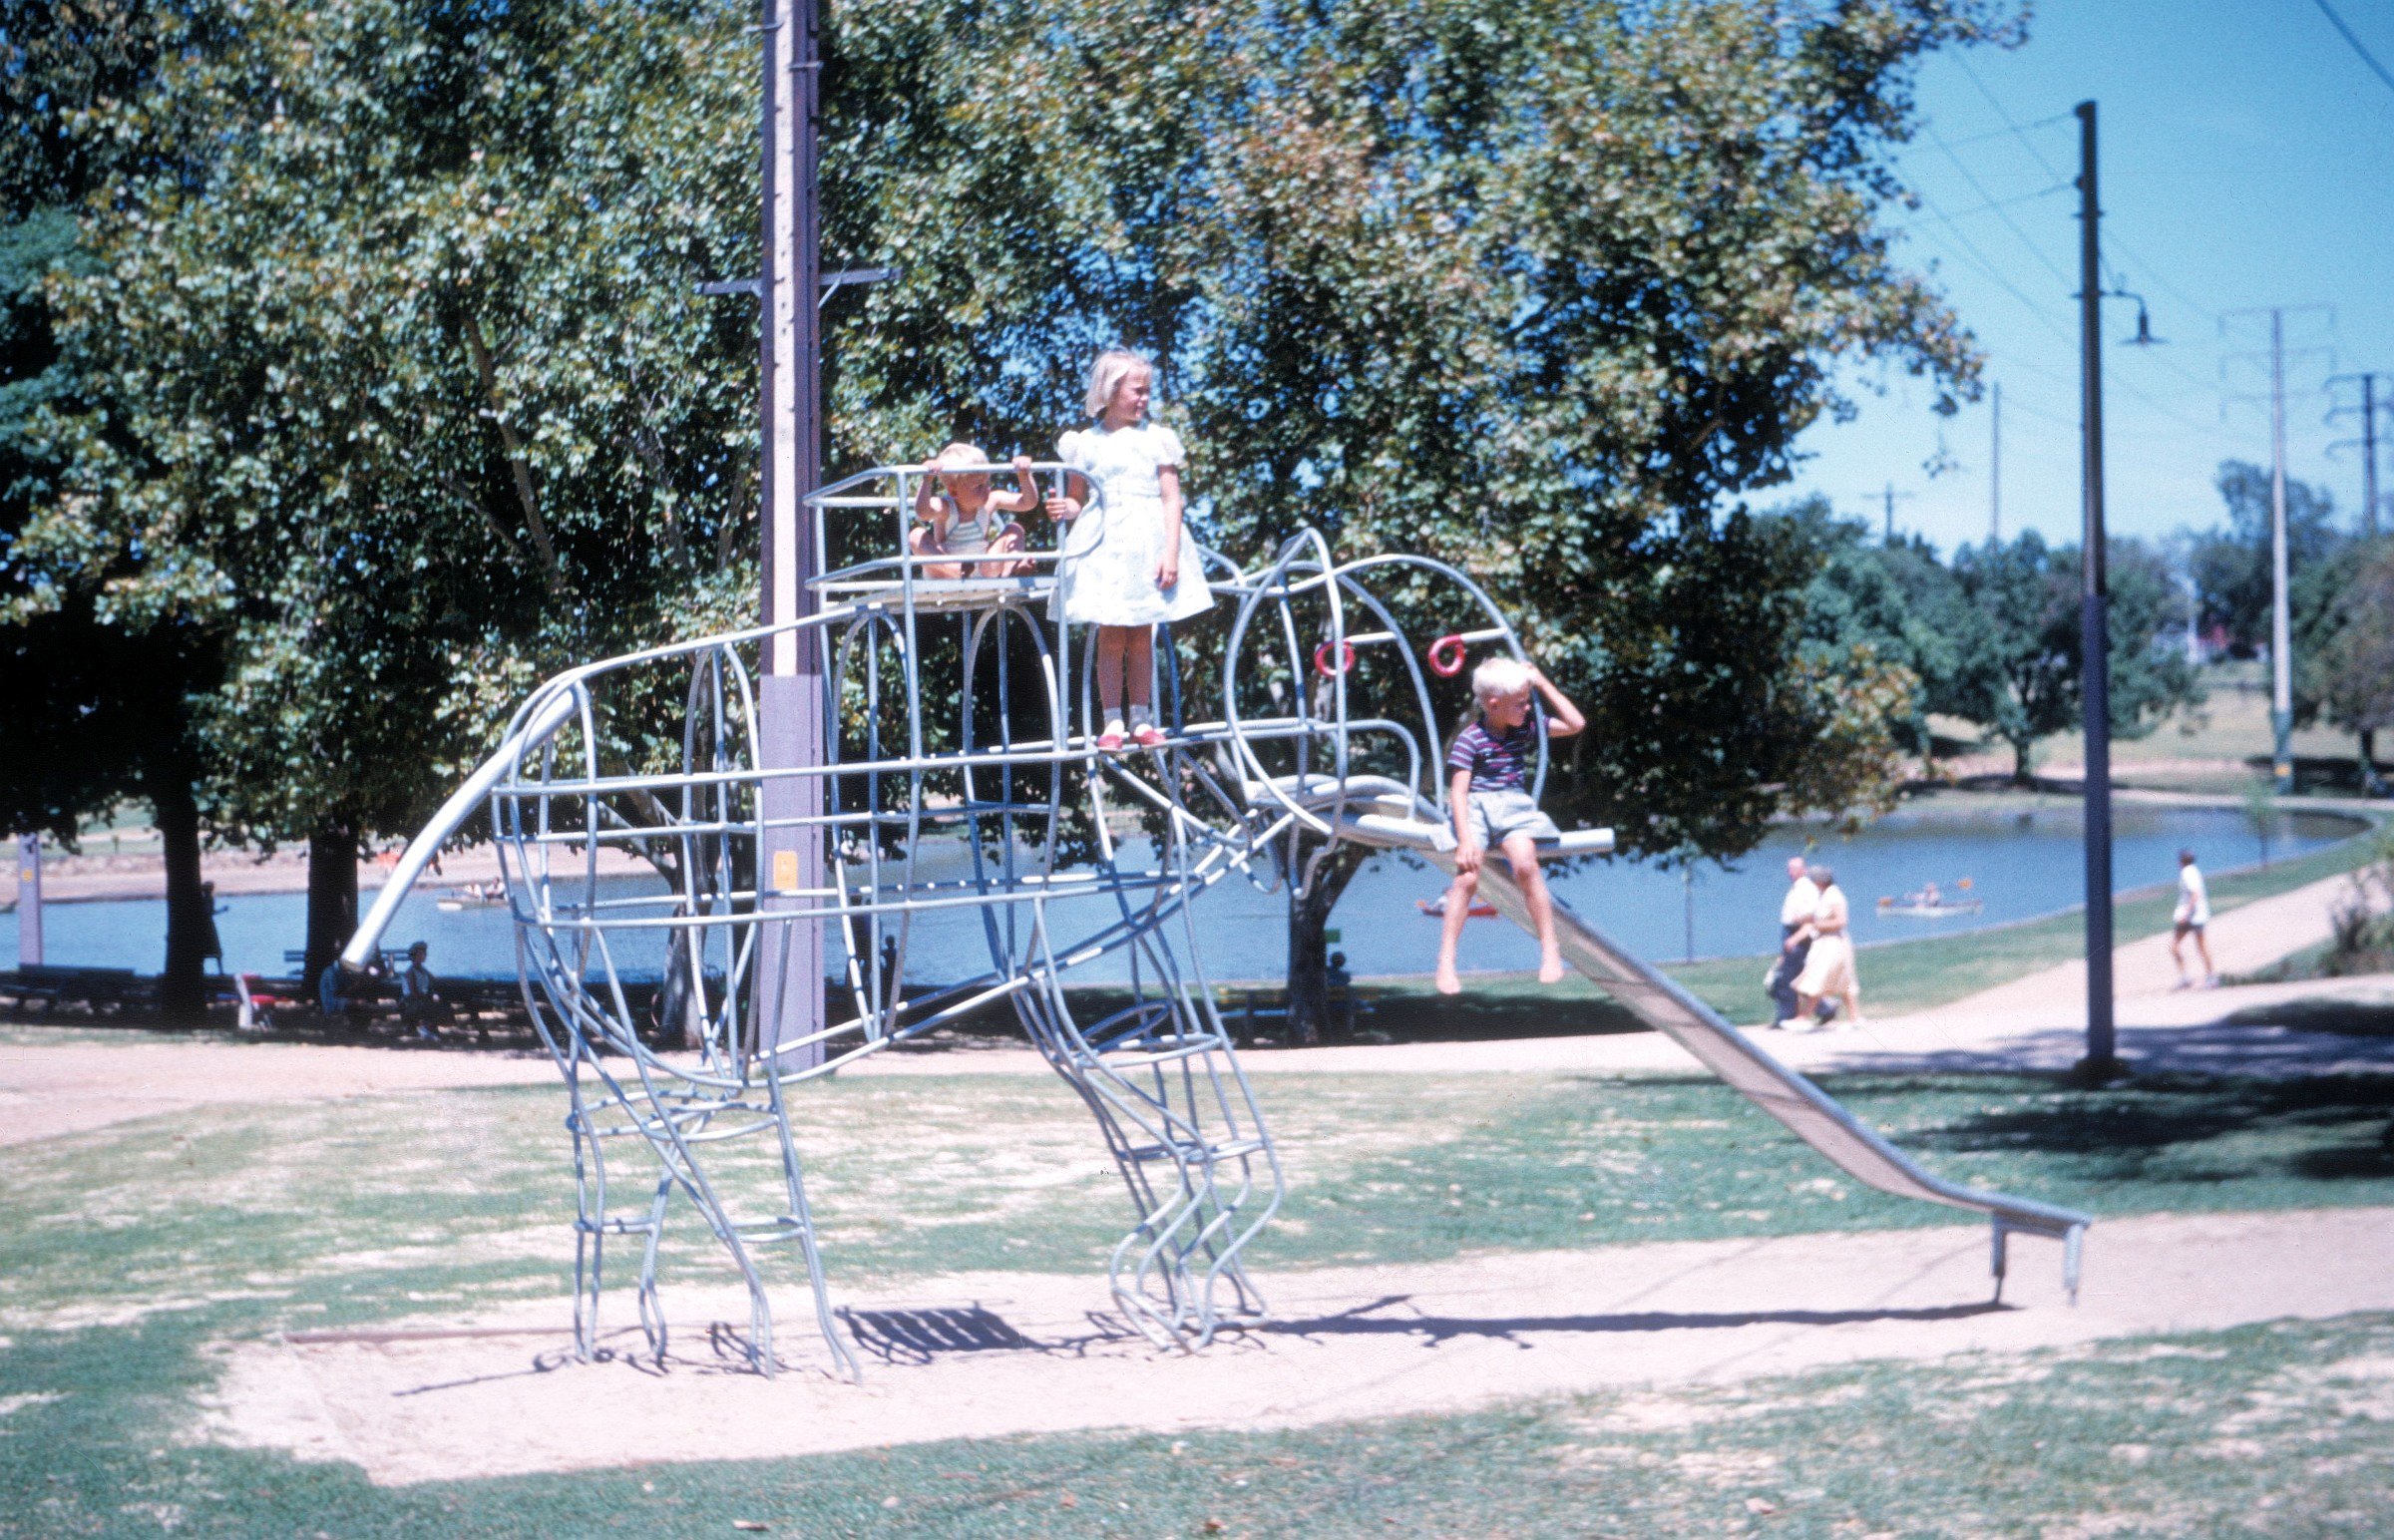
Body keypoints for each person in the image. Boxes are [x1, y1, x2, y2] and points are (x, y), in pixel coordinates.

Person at [1046, 350, 1212, 751]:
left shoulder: (1156, 440)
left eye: (1147, 392)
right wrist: (1061, 508)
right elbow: (1077, 500)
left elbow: (1172, 499)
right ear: (1111, 390)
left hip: (1146, 542)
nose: (1143, 399)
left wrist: (1170, 553)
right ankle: (1112, 720)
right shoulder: (1085, 443)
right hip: (1105, 543)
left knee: (1141, 631)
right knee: (1111, 632)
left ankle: (1141, 716)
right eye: (1136, 391)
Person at [1432, 655, 1586, 994]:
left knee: (1526, 865)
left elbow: (1576, 723)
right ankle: (1446, 959)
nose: (1527, 708)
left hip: (1512, 805)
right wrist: (1467, 840)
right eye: (1520, 703)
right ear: (1494, 704)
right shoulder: (1470, 740)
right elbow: (1458, 794)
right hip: (1476, 807)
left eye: (1528, 701)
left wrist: (1541, 682)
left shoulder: (1525, 727)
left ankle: (1550, 948)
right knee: (1467, 876)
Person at [909, 443, 1039, 579]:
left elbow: (1028, 503)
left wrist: (1024, 475)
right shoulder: (946, 506)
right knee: (916, 535)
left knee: (1014, 528)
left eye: (988, 483)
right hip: (947, 572)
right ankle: (958, 569)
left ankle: (1012, 568)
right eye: (978, 486)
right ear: (954, 491)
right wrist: (927, 479)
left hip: (982, 568)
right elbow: (922, 512)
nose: (987, 489)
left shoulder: (991, 500)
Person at [1787, 863, 1862, 1031]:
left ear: (1821, 881)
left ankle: (1802, 1018)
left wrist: (1817, 924)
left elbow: (1841, 921)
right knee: (1842, 980)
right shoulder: (1825, 895)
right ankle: (1854, 1018)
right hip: (1826, 942)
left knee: (1817, 978)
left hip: (1833, 942)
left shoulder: (1834, 896)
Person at [1766, 857, 1818, 1026]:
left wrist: (1795, 938)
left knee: (1786, 977)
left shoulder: (1806, 889)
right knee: (1798, 976)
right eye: (1789, 869)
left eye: (1794, 869)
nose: (1790, 872)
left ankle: (1785, 1017)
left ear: (1804, 869)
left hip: (1797, 933)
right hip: (1790, 931)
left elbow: (1809, 919)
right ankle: (1824, 1008)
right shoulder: (1796, 888)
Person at [2172, 848, 2216, 988]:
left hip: (2192, 917)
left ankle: (2202, 978)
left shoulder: (2186, 873)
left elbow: (2195, 894)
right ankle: (2206, 977)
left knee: (2175, 946)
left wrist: (2185, 913)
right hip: (2198, 916)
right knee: (2199, 947)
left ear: (2181, 861)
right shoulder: (2194, 871)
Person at [399, 941, 442, 1040]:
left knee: (440, 1003)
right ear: (414, 956)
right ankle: (425, 1029)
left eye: (424, 953)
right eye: (421, 953)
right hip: (410, 1002)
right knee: (432, 1006)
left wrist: (434, 993)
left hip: (421, 998)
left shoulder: (423, 970)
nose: (424, 955)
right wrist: (428, 997)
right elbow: (413, 992)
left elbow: (433, 981)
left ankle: (429, 1029)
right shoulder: (410, 972)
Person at [199, 881, 225, 974]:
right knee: (213, 948)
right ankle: (220, 972)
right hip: (207, 925)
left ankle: (205, 972)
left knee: (207, 949)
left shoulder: (206, 899)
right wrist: (222, 910)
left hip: (205, 925)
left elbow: (210, 912)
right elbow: (209, 912)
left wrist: (221, 910)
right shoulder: (207, 899)